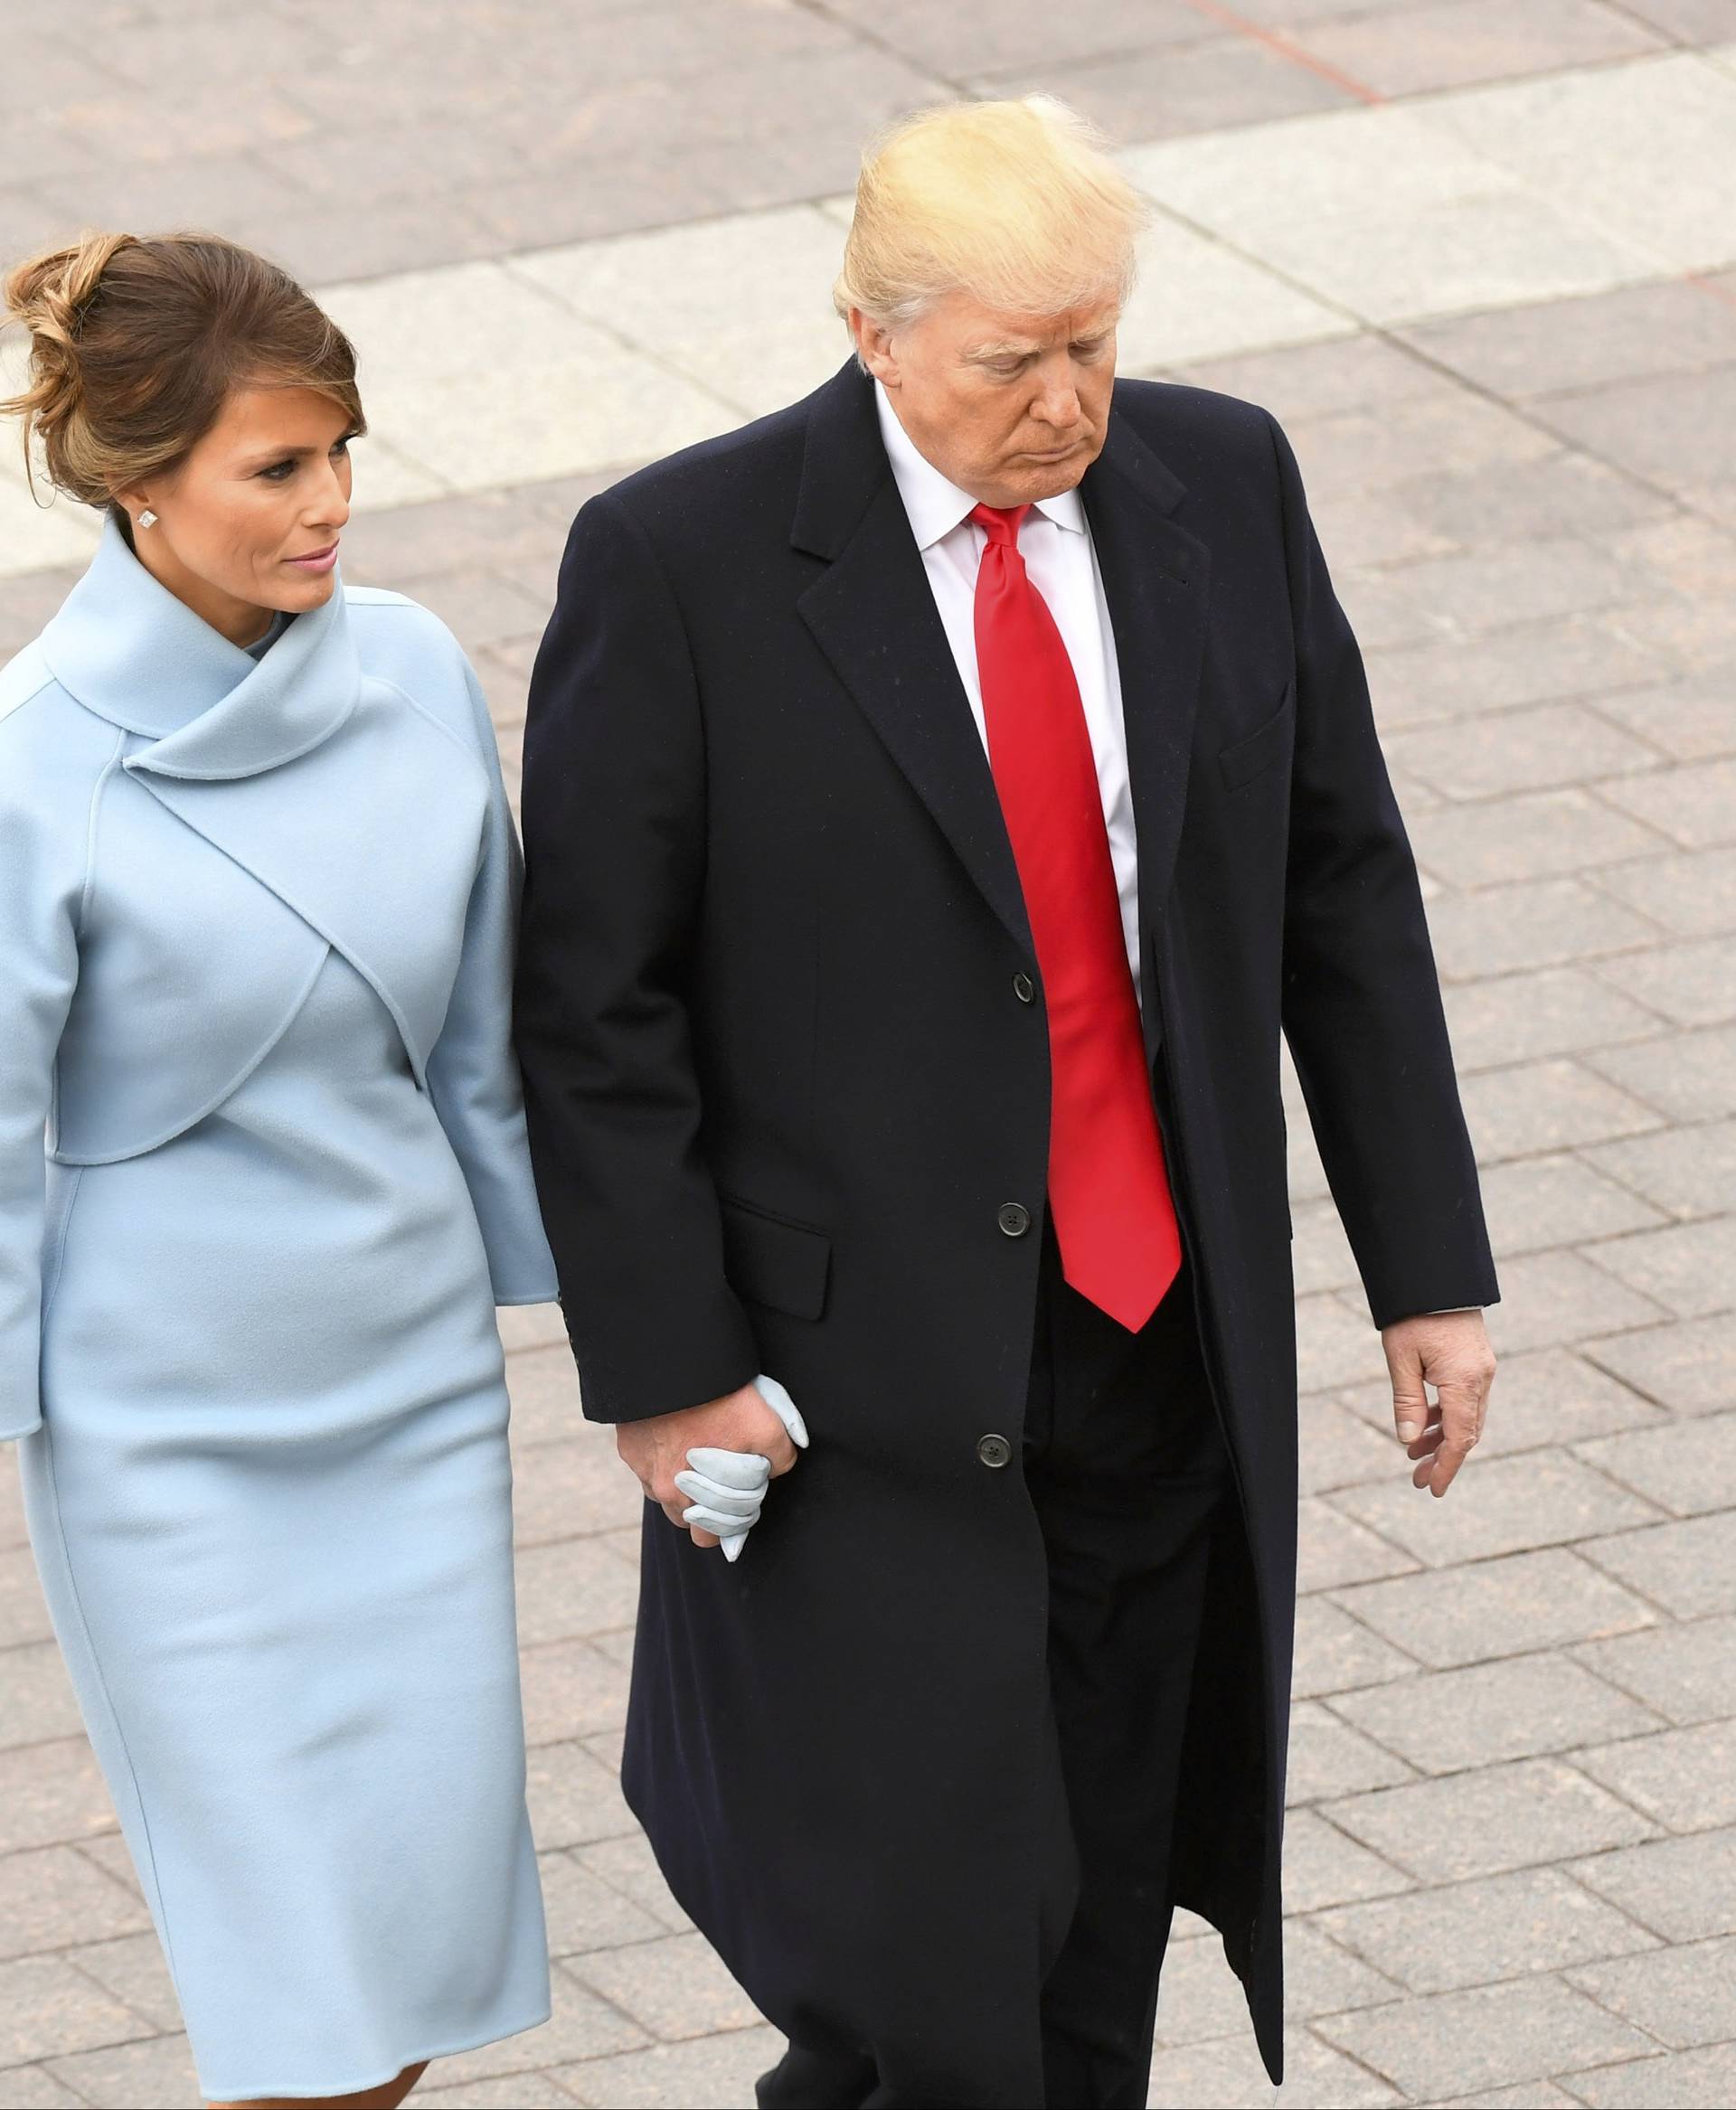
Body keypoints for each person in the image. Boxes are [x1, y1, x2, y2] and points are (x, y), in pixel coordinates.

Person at [514, 97, 1500, 2109]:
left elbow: (1341, 878)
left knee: (1098, 1924)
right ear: (872, 332)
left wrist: (1429, 1273)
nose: (1067, 403)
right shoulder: (679, 561)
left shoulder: (1225, 480)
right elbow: (595, 1007)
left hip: (1154, 1340)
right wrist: (665, 1370)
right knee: (911, 1970)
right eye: (1009, 360)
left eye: (1096, 345)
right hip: (851, 1393)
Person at [0, 232, 557, 2110]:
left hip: (408, 1395)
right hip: (174, 1442)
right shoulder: (30, 766)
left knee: (393, 1981)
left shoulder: (407, 668)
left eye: (342, 454)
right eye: (275, 469)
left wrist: (634, 1326)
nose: (332, 506)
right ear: (135, 484)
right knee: (293, 1976)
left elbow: (492, 1036)